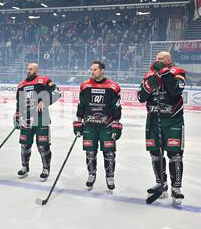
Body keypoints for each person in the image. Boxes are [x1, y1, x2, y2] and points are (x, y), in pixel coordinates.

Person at [137, 52, 186, 205]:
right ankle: (161, 184)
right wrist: (151, 82)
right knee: (155, 154)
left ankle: (176, 188)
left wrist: (164, 75)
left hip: (173, 121)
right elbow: (141, 97)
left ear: (169, 60)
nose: (157, 61)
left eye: (161, 59)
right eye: (156, 58)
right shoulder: (149, 75)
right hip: (153, 121)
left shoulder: (178, 72)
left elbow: (175, 91)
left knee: (174, 154)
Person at [73, 61, 122, 191]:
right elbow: (81, 105)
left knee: (109, 153)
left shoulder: (113, 87)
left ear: (102, 70)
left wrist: (116, 123)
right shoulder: (85, 86)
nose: (92, 72)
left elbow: (116, 107)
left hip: (107, 126)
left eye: (95, 69)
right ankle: (91, 174)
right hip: (89, 125)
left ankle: (110, 176)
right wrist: (78, 121)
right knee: (90, 152)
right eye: (91, 69)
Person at [14, 62, 61, 181]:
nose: (28, 71)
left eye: (31, 69)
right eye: (28, 69)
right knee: (25, 145)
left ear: (36, 70)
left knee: (42, 146)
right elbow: (19, 103)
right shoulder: (21, 85)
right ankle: (25, 167)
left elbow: (57, 92)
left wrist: (45, 101)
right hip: (26, 119)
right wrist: (17, 116)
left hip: (41, 119)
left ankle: (46, 168)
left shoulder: (43, 80)